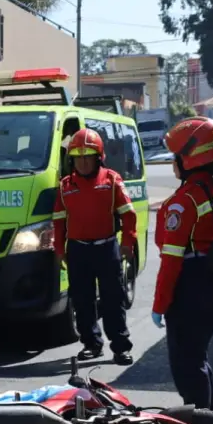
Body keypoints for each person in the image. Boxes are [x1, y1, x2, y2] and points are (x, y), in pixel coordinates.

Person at [152, 116, 213, 411]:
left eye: (175, 157)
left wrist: (160, 304)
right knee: (198, 356)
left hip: (191, 286)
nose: (173, 164)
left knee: (186, 363)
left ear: (188, 159)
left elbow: (171, 261)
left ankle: (202, 422)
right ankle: (209, 415)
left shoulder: (184, 201)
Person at [53, 127, 136, 365]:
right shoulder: (64, 186)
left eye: (87, 156)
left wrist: (128, 242)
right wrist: (60, 250)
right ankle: (91, 344)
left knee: (113, 298)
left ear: (98, 157)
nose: (82, 162)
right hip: (77, 250)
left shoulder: (112, 180)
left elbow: (128, 215)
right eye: (77, 157)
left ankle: (120, 347)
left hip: (107, 248)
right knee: (82, 299)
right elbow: (59, 222)